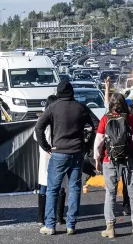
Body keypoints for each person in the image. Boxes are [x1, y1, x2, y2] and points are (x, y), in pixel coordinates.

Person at [35, 80, 96, 236]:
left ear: (58, 92)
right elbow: (97, 123)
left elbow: (39, 127)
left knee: (52, 189)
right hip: (77, 152)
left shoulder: (53, 107)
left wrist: (46, 147)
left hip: (59, 153)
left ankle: (50, 225)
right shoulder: (80, 107)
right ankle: (71, 225)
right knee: (75, 188)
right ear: (72, 92)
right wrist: (87, 145)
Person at [94, 91, 133, 238]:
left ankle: (110, 228)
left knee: (111, 193)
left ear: (110, 105)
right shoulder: (129, 118)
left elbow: (98, 142)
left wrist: (97, 159)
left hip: (110, 159)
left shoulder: (104, 119)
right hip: (129, 158)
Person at [34, 95, 68, 225]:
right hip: (59, 154)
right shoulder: (61, 119)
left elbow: (36, 136)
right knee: (60, 186)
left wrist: (46, 147)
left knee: (44, 185)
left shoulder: (42, 120)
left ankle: (41, 218)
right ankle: (59, 217)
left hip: (45, 156)